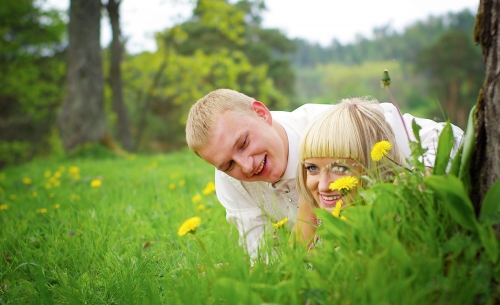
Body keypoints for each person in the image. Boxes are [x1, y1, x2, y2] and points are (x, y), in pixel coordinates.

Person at [185, 89, 463, 258]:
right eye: (228, 165)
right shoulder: (229, 178)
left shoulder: (336, 125)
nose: (245, 166)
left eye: (244, 143)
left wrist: (414, 188)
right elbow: (263, 259)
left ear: (261, 113)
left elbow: (448, 137)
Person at [293, 97, 407, 245]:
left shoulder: (402, 227)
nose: (323, 186)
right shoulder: (314, 219)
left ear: (376, 165)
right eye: (312, 168)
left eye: (340, 169)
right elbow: (291, 263)